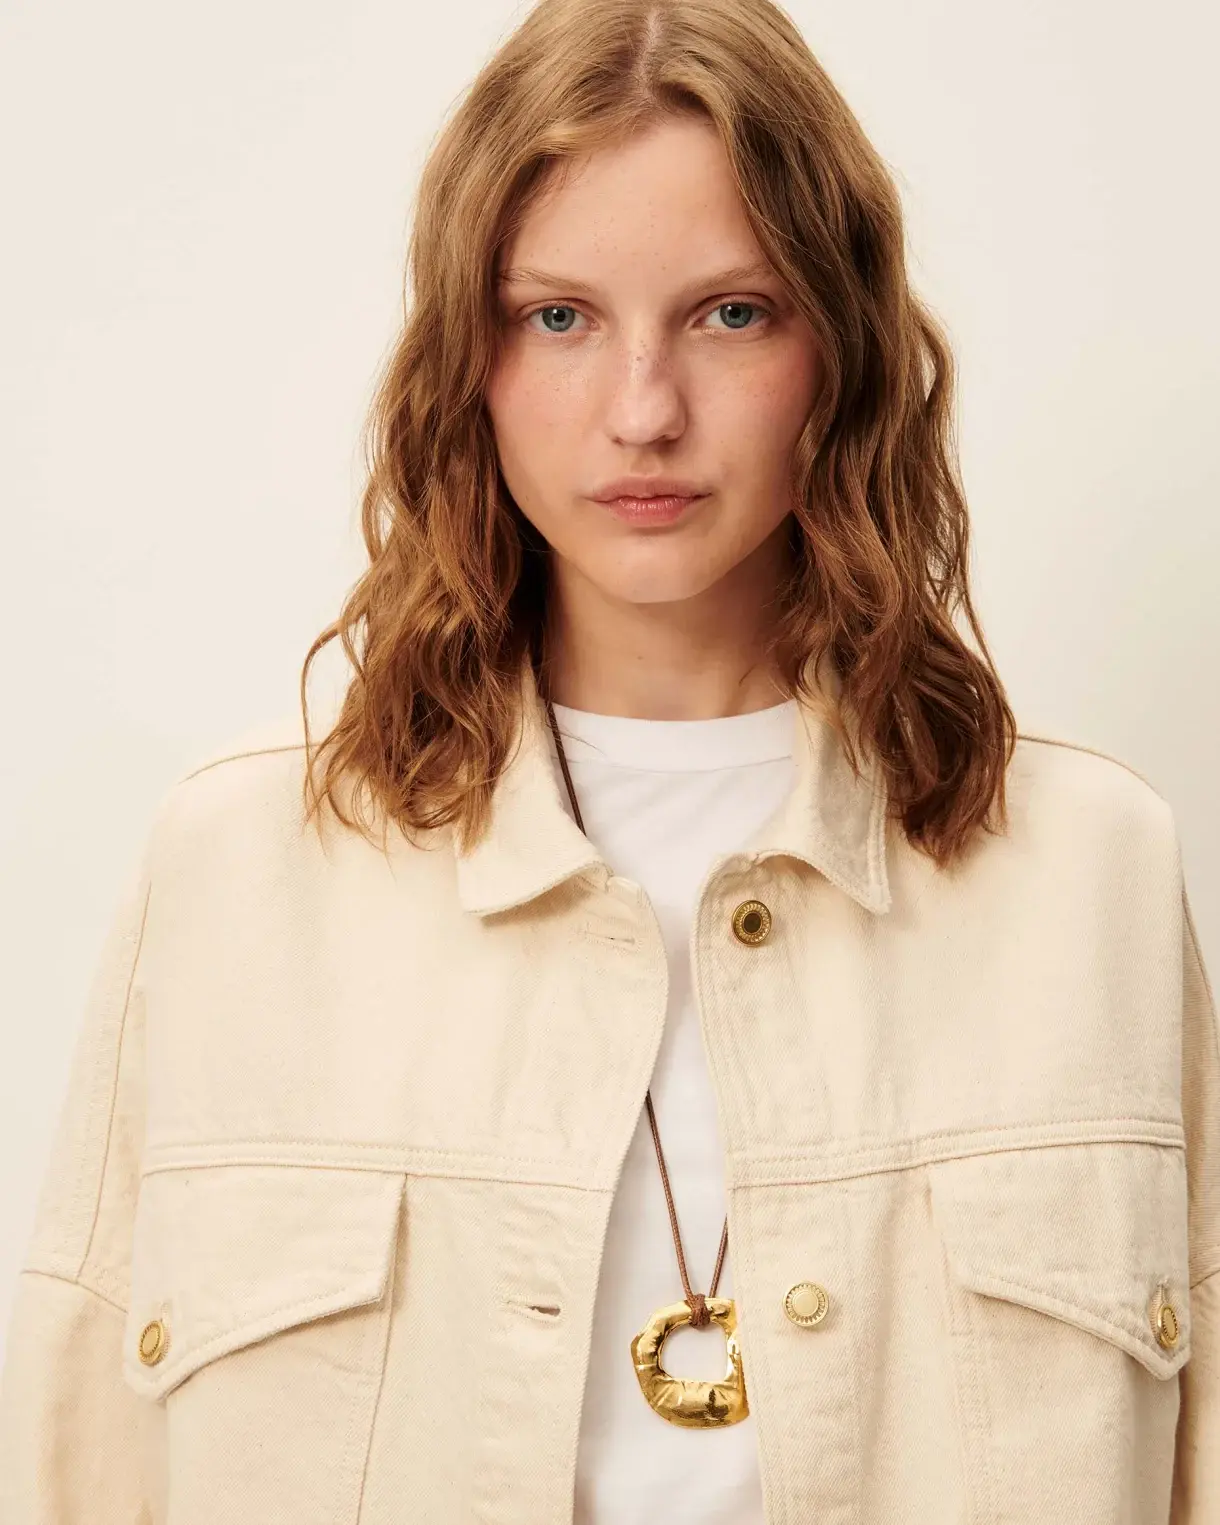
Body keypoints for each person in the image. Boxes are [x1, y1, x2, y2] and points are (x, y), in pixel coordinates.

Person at [1, 0, 1216, 1520]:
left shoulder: (1090, 869)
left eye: (733, 314)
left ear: (840, 349)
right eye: (559, 318)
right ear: (469, 360)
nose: (644, 412)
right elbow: (78, 1475)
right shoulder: (239, 869)